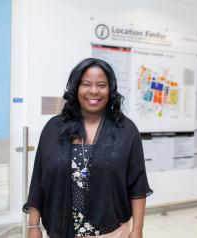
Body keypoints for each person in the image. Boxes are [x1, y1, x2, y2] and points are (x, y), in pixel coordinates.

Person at [23, 58, 153, 238]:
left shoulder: (126, 131)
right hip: (60, 231)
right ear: (76, 88)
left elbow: (137, 185)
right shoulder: (54, 129)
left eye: (101, 85)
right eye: (86, 84)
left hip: (112, 232)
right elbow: (39, 180)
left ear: (110, 89)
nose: (94, 91)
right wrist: (33, 226)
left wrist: (137, 229)